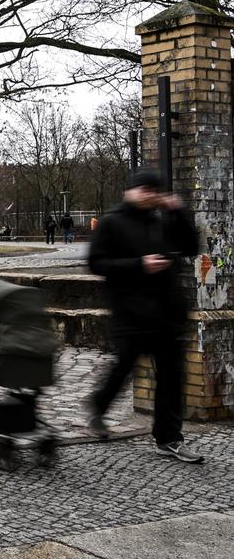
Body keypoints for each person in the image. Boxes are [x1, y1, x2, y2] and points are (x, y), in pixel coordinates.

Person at [86, 169, 203, 462]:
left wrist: (178, 212)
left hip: (166, 312)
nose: (151, 195)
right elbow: (96, 263)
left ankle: (169, 438)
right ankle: (98, 406)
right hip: (130, 313)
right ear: (131, 191)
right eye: (145, 190)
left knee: (172, 376)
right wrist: (139, 264)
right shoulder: (112, 222)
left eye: (155, 190)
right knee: (123, 367)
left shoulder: (161, 220)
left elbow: (191, 247)